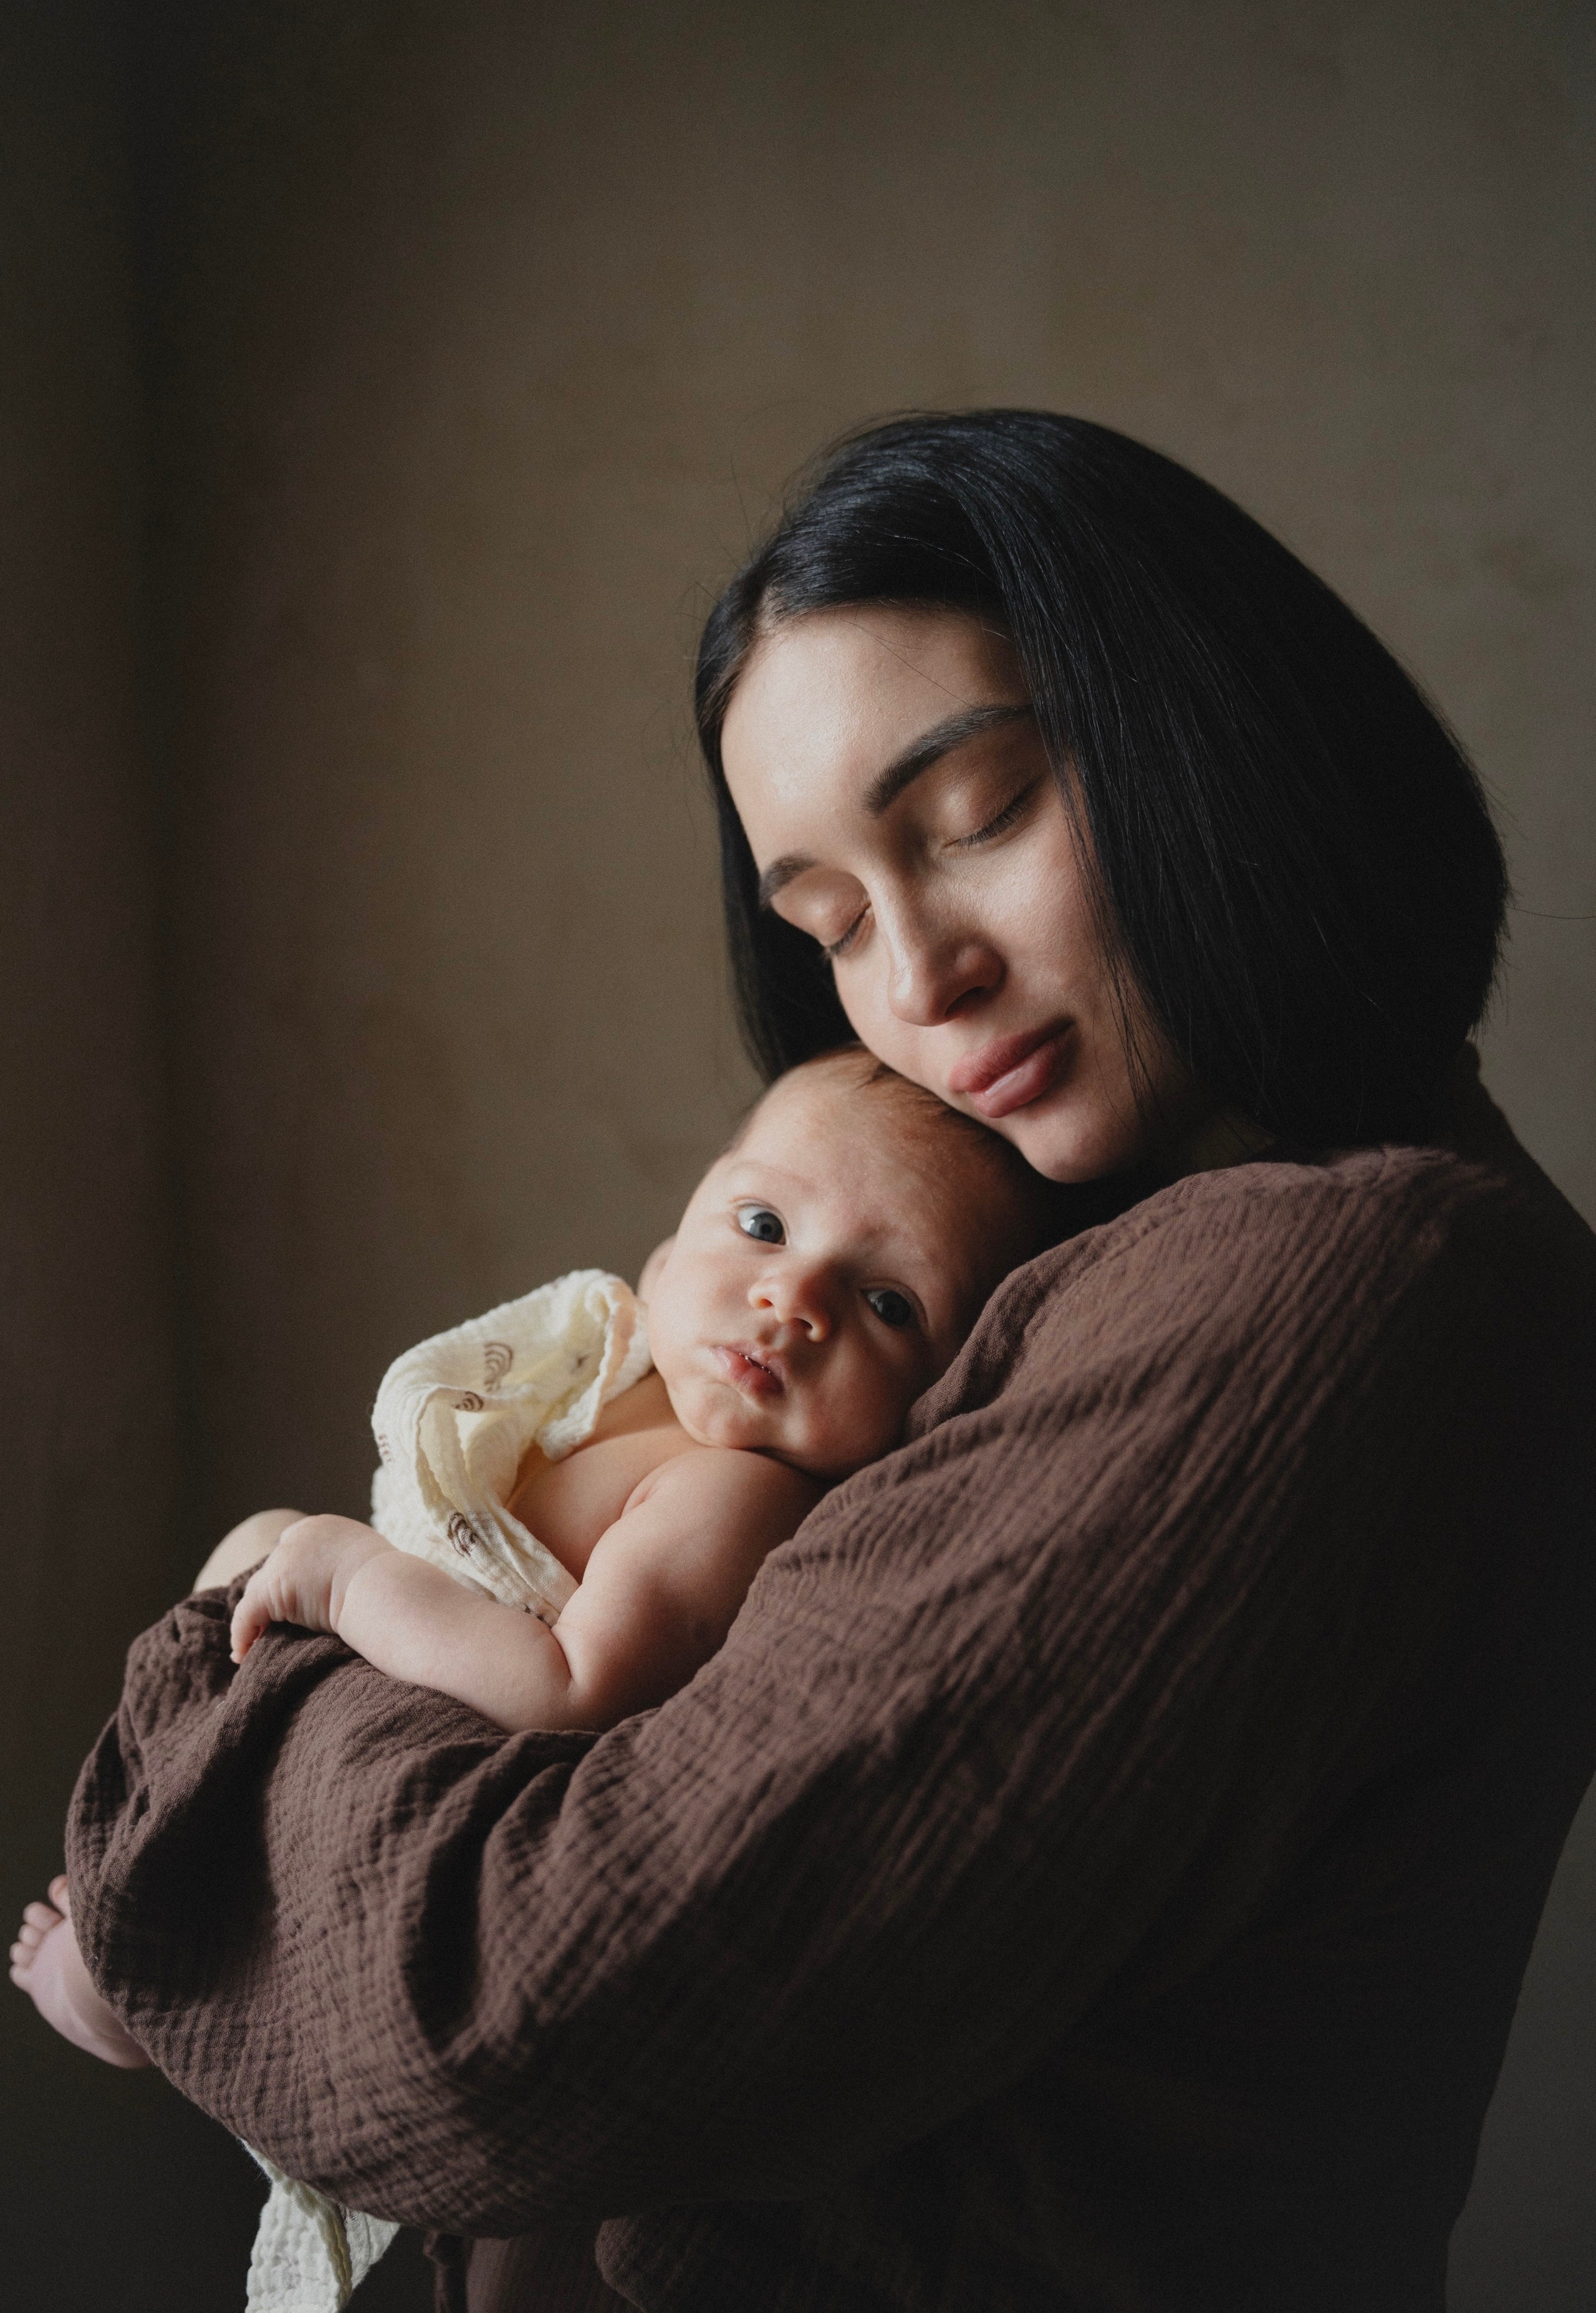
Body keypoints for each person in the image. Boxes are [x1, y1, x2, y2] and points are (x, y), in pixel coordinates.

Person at [47, 413, 1596, 2312]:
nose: (918, 978)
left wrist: (225, 1688)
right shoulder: (1109, 1245)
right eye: (835, 919)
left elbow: (528, 2008)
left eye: (978, 816)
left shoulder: (1337, 1286)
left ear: (1209, 727)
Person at [12, 1043, 1055, 2055]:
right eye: (763, 1223)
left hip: (458, 1725)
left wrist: (358, 1579)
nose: (795, 1298)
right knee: (253, 1545)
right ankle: (147, 1872)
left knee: (277, 1562)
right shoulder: (614, 1371)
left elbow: (571, 1690)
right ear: (666, 1255)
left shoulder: (736, 1491)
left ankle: (139, 1956)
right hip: (400, 1635)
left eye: (886, 1303)